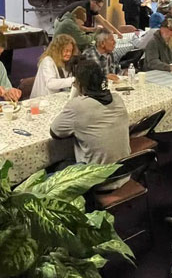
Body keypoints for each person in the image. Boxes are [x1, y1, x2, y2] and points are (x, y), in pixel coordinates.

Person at [49, 58, 130, 190]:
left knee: (50, 172)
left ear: (79, 83)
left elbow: (55, 132)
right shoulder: (117, 99)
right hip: (124, 172)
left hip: (98, 180)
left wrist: (76, 91)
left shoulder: (78, 106)